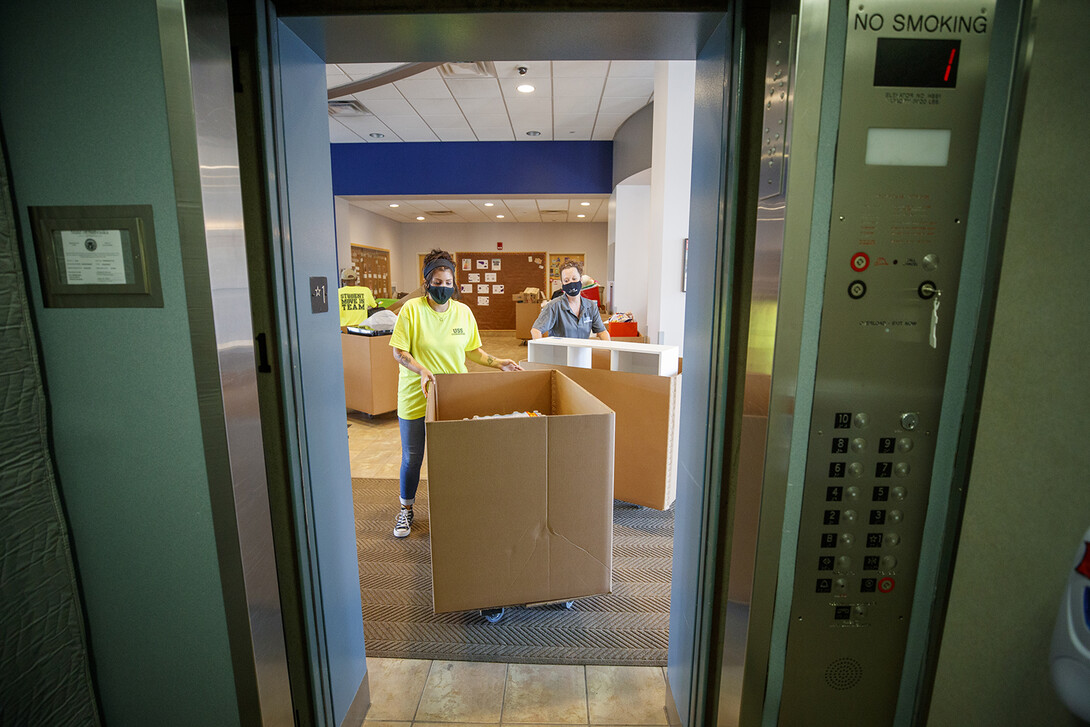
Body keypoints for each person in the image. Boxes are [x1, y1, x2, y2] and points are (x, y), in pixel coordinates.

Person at [388, 249, 522, 538]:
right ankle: (406, 510)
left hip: (453, 396)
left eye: (448, 281)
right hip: (416, 395)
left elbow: (472, 350)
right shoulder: (411, 310)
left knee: (453, 457)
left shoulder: (463, 312)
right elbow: (399, 353)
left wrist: (498, 363)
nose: (444, 287)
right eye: (437, 282)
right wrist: (422, 370)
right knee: (413, 456)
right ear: (427, 282)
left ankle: (452, 508)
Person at [530, 260, 611, 341]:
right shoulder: (553, 306)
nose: (571, 283)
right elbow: (536, 330)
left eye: (574, 278)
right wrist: (540, 351)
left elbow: (602, 332)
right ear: (562, 283)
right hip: (560, 353)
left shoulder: (591, 306)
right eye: (566, 280)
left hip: (582, 352)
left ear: (581, 279)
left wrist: (610, 349)